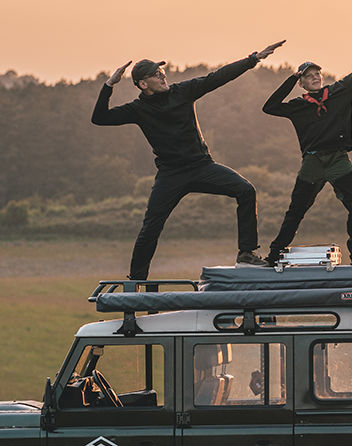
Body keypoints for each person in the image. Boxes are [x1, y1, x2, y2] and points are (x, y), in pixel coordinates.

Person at [93, 40, 284, 280]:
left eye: (162, 71)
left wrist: (253, 59)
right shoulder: (137, 109)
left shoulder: (183, 91)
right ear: (143, 84)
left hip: (202, 166)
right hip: (170, 174)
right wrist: (109, 84)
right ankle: (136, 280)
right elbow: (99, 118)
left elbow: (217, 77)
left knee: (245, 190)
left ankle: (246, 254)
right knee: (150, 228)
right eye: (156, 74)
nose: (163, 76)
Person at [262, 34, 352, 266]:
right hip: (312, 163)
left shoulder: (341, 91)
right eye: (308, 77)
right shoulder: (298, 106)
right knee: (296, 211)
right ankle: (273, 256)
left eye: (317, 74)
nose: (315, 78)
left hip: (338, 160)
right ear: (302, 83)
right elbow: (269, 107)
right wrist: (291, 78)